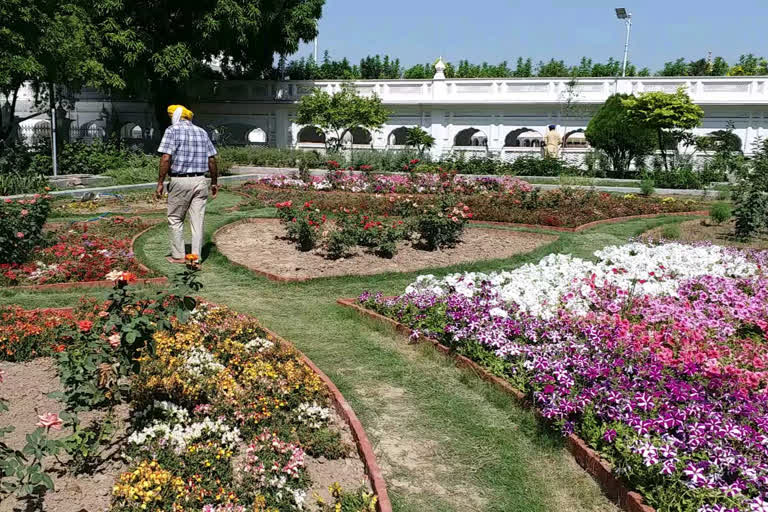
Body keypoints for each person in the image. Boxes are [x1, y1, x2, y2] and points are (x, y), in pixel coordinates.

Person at [156, 105, 218, 265]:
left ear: (174, 116)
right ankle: (196, 257)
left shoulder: (172, 130)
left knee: (175, 218)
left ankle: (178, 256)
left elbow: (165, 158)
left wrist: (160, 182)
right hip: (200, 180)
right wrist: (214, 182)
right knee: (198, 220)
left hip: (180, 180)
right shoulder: (202, 132)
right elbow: (212, 159)